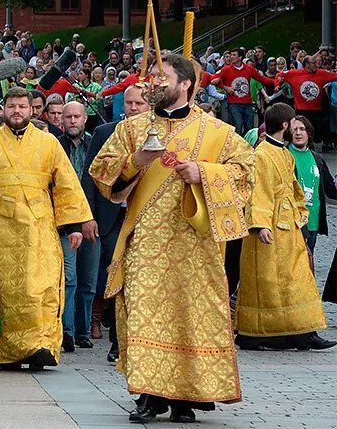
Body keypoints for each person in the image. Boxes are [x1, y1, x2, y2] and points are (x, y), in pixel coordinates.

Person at [89, 54, 252, 423]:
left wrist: (204, 173)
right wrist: (137, 161)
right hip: (145, 241)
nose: (153, 84)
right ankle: (149, 393)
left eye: (162, 78)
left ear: (185, 85)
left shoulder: (217, 132)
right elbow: (100, 172)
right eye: (151, 78)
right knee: (146, 313)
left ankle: (185, 397)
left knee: (189, 316)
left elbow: (246, 174)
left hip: (195, 243)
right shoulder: (132, 129)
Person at [0, 87, 91, 371]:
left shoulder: (49, 143)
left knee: (39, 286)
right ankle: (5, 351)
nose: (16, 112)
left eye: (22, 106)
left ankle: (39, 347)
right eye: (11, 107)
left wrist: (73, 226)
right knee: (2, 289)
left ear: (32, 110)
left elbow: (66, 184)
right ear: (4, 109)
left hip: (39, 225)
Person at [234, 103, 335, 352]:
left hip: (289, 225)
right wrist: (260, 225)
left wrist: (300, 212)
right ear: (284, 126)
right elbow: (258, 192)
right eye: (293, 123)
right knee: (269, 282)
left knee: (296, 278)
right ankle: (264, 332)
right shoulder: (262, 154)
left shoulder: (282, 152)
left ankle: (300, 331)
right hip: (270, 228)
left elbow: (293, 189)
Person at [80, 83, 148, 363]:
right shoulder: (105, 132)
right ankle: (116, 340)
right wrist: (89, 217)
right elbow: (89, 176)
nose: (132, 109)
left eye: (139, 104)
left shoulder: (160, 136)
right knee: (113, 277)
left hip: (143, 218)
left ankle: (133, 340)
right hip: (109, 217)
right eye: (129, 103)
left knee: (137, 280)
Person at [57, 101, 99, 353]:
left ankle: (84, 332)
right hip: (65, 222)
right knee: (69, 278)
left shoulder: (96, 143)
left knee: (88, 280)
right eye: (68, 117)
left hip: (93, 220)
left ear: (85, 119)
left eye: (77, 116)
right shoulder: (54, 144)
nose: (72, 121)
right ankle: (68, 332)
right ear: (62, 120)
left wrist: (90, 217)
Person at [286, 115, 334, 263]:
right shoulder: (284, 155)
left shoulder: (317, 158)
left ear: (309, 133)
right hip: (291, 224)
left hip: (312, 223)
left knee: (307, 266)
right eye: (294, 130)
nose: (298, 133)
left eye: (302, 129)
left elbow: (330, 188)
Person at [210, 48, 274, 134]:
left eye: (234, 55)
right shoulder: (226, 69)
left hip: (247, 103)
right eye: (231, 55)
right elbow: (213, 80)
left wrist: (276, 81)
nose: (231, 57)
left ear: (240, 57)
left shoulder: (249, 69)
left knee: (249, 127)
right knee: (238, 125)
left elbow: (262, 79)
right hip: (234, 103)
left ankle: (249, 145)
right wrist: (225, 87)